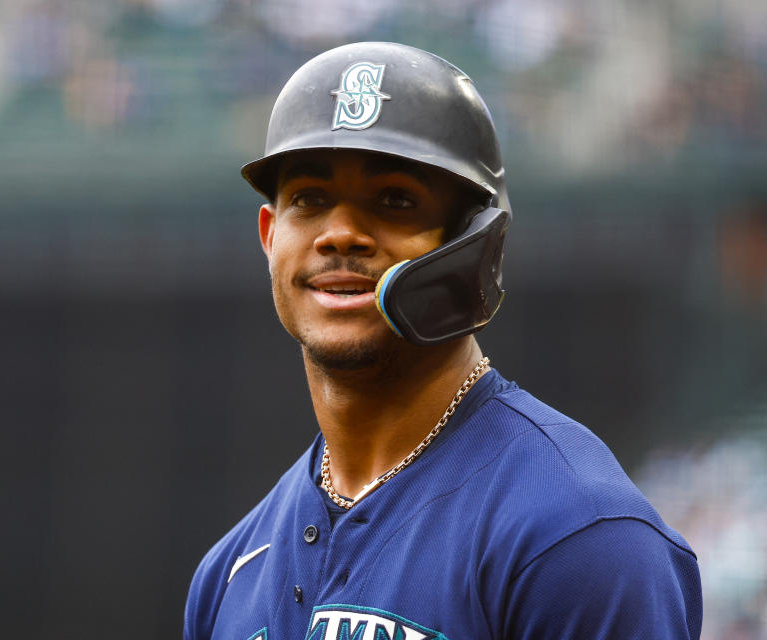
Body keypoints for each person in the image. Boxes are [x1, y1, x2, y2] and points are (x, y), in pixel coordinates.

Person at [184, 42, 702, 640]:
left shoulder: (578, 537)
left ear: (472, 246)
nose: (341, 234)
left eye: (395, 200)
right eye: (310, 200)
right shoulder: (230, 573)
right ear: (270, 235)